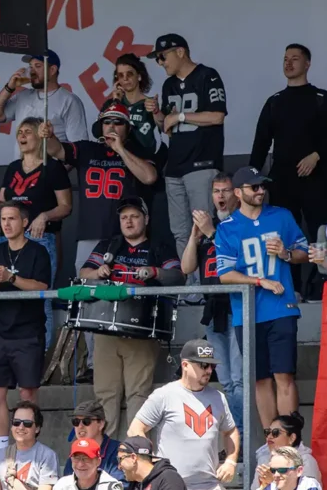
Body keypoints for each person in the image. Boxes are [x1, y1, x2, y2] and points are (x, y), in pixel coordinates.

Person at [250, 44, 327, 299]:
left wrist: (316, 155)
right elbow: (261, 144)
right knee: (285, 232)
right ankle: (291, 287)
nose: (289, 63)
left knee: (321, 231)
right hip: (283, 179)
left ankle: (322, 284)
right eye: (285, 58)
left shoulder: (322, 98)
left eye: (295, 58)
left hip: (317, 178)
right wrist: (251, 178)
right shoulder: (274, 101)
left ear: (307, 64)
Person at [82, 198, 183, 437]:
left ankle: (134, 456)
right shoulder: (109, 245)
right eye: (124, 217)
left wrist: (154, 272)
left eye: (134, 216)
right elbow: (83, 273)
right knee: (105, 393)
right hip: (106, 329)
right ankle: (105, 456)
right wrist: (98, 272)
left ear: (146, 220)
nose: (128, 221)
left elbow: (179, 276)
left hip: (142, 330)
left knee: (138, 395)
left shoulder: (160, 246)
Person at [217, 166, 308, 430]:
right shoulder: (227, 227)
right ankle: (271, 439)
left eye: (262, 186)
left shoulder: (281, 216)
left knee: (284, 375)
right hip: (247, 312)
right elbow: (225, 274)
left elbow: (306, 252)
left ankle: (289, 439)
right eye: (254, 187)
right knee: (260, 379)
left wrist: (287, 253)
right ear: (238, 192)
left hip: (282, 308)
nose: (260, 191)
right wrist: (258, 281)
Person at [40, 104, 157, 272]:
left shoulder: (138, 150)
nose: (111, 126)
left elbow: (149, 177)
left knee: (124, 281)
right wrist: (49, 136)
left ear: (128, 128)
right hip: (90, 230)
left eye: (118, 122)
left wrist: (120, 150)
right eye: (106, 122)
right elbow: (56, 150)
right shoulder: (87, 148)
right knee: (86, 283)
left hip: (126, 232)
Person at [0, 118, 72, 340]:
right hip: (7, 239)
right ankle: (0, 345)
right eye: (19, 132)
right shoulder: (13, 167)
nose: (22, 136)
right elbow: (5, 202)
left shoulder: (52, 167)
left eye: (28, 132)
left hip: (39, 239)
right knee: (0, 295)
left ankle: (41, 359)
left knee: (39, 298)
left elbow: (66, 206)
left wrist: (44, 216)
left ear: (39, 136)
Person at [145, 34, 227, 260]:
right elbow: (166, 127)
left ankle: (209, 285)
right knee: (180, 232)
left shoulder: (207, 76)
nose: (160, 63)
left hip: (201, 163)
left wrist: (181, 116)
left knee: (203, 227)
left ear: (180, 52)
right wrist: (156, 114)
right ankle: (190, 293)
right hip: (174, 168)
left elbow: (217, 116)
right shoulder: (168, 85)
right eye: (157, 59)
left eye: (162, 57)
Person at [0, 204, 52, 463]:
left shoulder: (38, 251)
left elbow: (42, 286)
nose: (6, 224)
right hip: (0, 331)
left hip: (29, 331)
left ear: (25, 222)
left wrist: (11, 278)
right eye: (2, 219)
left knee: (27, 394)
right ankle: (1, 452)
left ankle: (27, 450)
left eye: (12, 219)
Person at [129, 339, 239, 490]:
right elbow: (135, 429)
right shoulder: (164, 395)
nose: (209, 370)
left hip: (210, 484)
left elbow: (231, 431)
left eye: (212, 365)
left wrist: (231, 462)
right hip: (171, 484)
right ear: (185, 365)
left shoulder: (218, 397)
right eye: (203, 365)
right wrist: (150, 462)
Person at [180, 173, 243, 434]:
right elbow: (186, 267)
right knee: (226, 381)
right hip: (213, 308)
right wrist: (195, 238)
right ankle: (235, 438)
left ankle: (243, 438)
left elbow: (241, 259)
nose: (221, 196)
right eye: (216, 191)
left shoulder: (241, 223)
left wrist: (210, 232)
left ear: (236, 194)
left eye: (226, 191)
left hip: (238, 306)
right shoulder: (207, 227)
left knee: (239, 380)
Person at [0, 50, 89, 147]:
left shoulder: (69, 101)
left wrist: (59, 166)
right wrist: (9, 87)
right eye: (30, 67)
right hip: (21, 165)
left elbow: (79, 147)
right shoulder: (23, 96)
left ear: (52, 70)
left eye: (38, 66)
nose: (32, 72)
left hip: (52, 165)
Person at [0, 401, 58, 490]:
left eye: (27, 423)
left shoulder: (47, 455)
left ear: (37, 428)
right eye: (16, 422)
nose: (21, 427)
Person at [105, 54, 157, 154]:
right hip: (115, 161)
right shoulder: (111, 103)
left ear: (139, 76)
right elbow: (96, 130)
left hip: (143, 160)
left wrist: (156, 111)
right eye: (120, 75)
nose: (125, 79)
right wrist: (116, 103)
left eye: (129, 74)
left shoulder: (150, 104)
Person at [251, 414, 320, 489]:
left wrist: (272, 482)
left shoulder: (306, 460)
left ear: (292, 438)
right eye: (267, 432)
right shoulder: (263, 459)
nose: (269, 436)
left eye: (275, 432)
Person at [62, 402, 121, 481]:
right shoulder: (75, 453)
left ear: (101, 424)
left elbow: (119, 486)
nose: (80, 426)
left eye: (86, 421)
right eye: (76, 421)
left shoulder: (119, 451)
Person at [114, 437, 184, 490]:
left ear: (133, 458)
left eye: (120, 459)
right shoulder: (135, 483)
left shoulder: (169, 479)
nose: (119, 466)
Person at [52, 439, 122, 490]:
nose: (80, 464)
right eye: (76, 458)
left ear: (98, 461)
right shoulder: (62, 485)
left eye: (86, 459)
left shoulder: (110, 487)